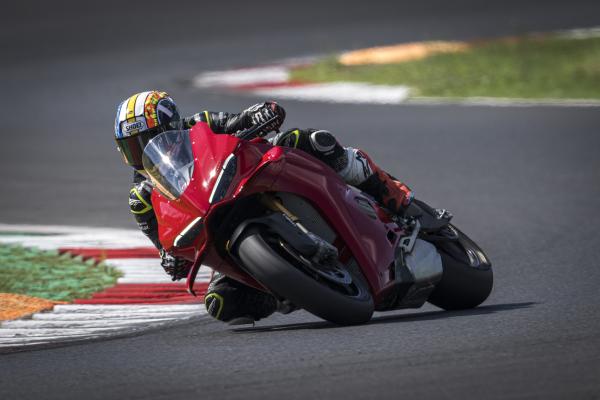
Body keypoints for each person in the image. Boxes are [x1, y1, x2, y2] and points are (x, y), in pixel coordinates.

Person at [114, 90, 413, 324]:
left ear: (173, 125)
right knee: (221, 303)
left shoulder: (198, 124)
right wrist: (172, 259)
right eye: (134, 146)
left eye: (150, 138)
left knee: (310, 141)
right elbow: (164, 243)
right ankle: (288, 288)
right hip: (216, 230)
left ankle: (387, 189)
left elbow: (237, 122)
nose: (144, 150)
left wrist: (259, 114)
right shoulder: (141, 198)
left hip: (246, 178)